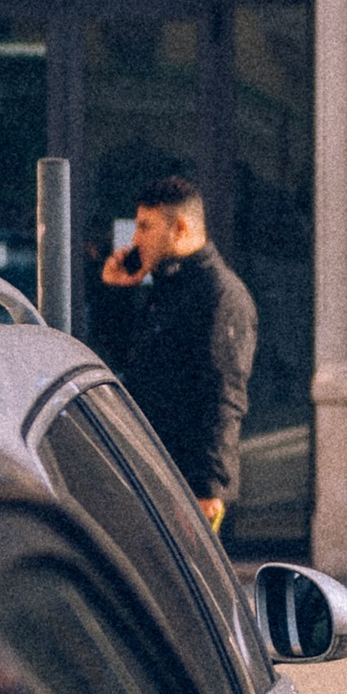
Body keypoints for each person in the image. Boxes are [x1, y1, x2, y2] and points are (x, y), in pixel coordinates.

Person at [98, 169, 257, 528]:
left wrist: (207, 489)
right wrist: (117, 292)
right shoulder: (169, 285)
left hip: (190, 489)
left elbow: (223, 395)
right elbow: (126, 358)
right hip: (154, 473)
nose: (135, 239)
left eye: (145, 227)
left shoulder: (220, 295)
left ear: (181, 229)